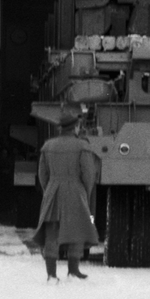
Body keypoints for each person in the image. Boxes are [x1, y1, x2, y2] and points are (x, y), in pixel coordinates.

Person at [30, 107, 99, 281]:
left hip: (53, 190)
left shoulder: (48, 146)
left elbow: (42, 174)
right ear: (75, 127)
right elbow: (88, 174)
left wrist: (49, 189)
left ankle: (51, 274)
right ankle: (73, 271)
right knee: (76, 230)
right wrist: (85, 192)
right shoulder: (82, 146)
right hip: (75, 191)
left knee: (52, 232)